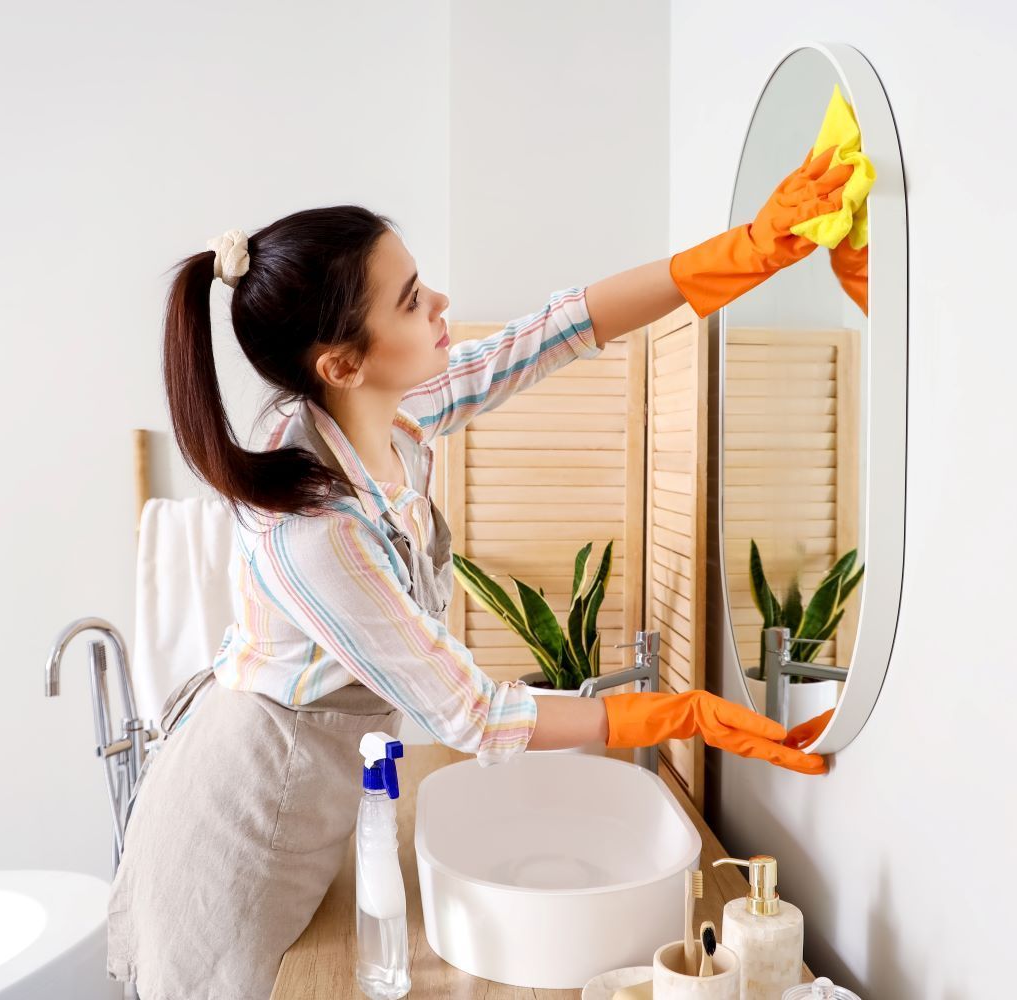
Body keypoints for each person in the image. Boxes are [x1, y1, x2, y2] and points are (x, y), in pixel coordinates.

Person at [107, 144, 861, 1000]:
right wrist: (678, 713)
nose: (442, 304)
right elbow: (473, 714)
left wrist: (746, 248)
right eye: (410, 299)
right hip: (245, 816)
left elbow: (548, 337)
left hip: (311, 785)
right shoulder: (315, 531)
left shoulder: (381, 411)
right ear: (343, 364)